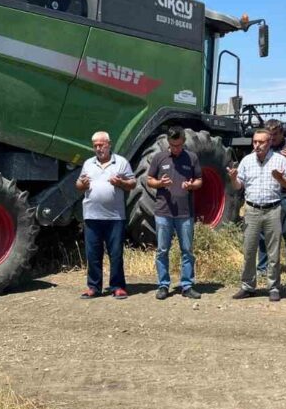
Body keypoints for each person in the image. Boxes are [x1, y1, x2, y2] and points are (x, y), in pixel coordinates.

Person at [229, 128, 286, 301]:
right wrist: (233, 178)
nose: (257, 145)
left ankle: (273, 287)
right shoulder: (246, 160)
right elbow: (238, 186)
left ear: (270, 142)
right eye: (255, 142)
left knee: (273, 251)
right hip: (252, 210)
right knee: (249, 250)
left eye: (261, 142)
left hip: (273, 209)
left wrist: (280, 179)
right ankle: (248, 286)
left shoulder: (280, 161)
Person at [76, 131, 136, 300]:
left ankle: (118, 287)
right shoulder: (88, 163)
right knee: (93, 254)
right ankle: (94, 287)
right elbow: (79, 184)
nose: (98, 148)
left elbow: (133, 183)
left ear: (109, 144)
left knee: (116, 253)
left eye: (101, 145)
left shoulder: (121, 162)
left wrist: (121, 183)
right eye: (95, 145)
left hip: (115, 216)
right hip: (92, 216)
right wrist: (83, 183)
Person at [146, 126, 203, 300]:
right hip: (163, 212)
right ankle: (163, 285)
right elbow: (149, 180)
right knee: (163, 250)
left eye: (178, 145)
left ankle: (187, 285)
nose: (175, 149)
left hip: (185, 213)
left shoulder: (191, 158)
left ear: (183, 142)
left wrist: (193, 185)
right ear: (168, 143)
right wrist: (159, 183)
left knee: (187, 250)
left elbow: (200, 180)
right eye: (172, 145)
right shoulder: (159, 157)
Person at [257, 119, 286, 288]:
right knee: (263, 235)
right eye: (269, 135)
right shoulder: (264, 145)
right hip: (267, 196)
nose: (272, 138)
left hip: (285, 196)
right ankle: (262, 269)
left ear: (282, 133)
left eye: (275, 135)